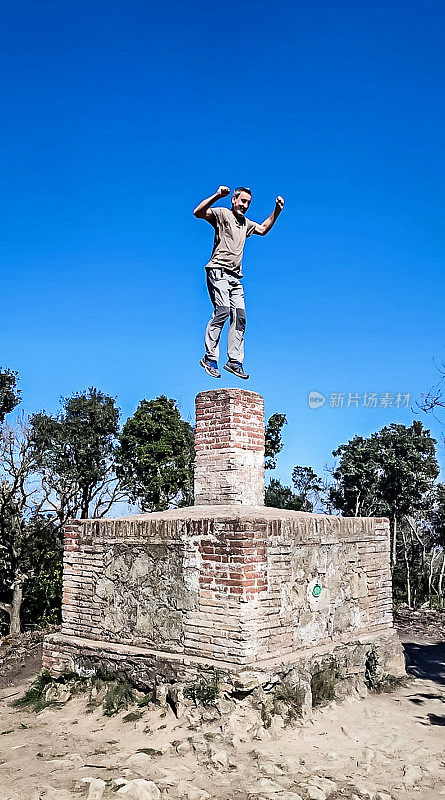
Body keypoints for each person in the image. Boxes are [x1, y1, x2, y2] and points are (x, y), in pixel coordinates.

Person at [194, 186, 285, 379]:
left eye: (248, 203)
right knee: (223, 310)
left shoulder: (246, 224)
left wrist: (276, 211)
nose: (245, 206)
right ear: (234, 200)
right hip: (218, 270)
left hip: (235, 278)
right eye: (242, 201)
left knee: (240, 317)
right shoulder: (223, 214)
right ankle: (210, 357)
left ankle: (234, 361)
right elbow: (198, 212)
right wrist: (218, 196)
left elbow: (262, 229)